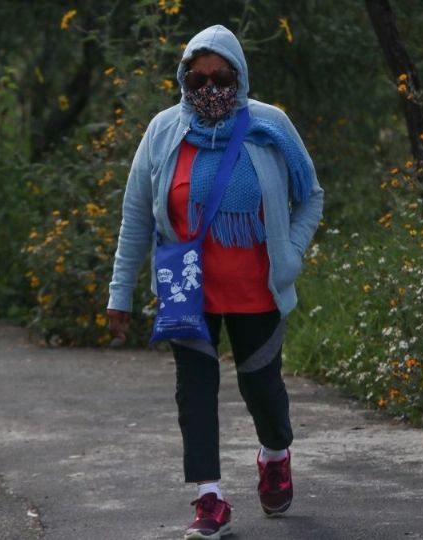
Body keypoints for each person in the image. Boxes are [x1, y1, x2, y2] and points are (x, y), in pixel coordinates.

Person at [106, 24, 323, 540]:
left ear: (238, 76)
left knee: (261, 388)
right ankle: (210, 498)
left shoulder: (269, 126)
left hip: (257, 292)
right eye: (196, 78)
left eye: (219, 77)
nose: (208, 89)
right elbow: (136, 214)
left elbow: (310, 194)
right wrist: (119, 292)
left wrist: (290, 254)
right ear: (182, 79)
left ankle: (275, 454)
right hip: (187, 293)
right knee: (194, 394)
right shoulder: (164, 131)